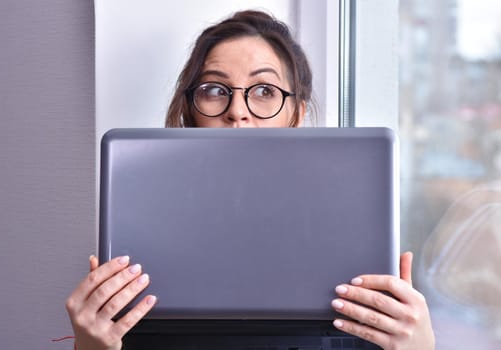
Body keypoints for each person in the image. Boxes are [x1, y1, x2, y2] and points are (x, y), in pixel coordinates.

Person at [66, 10, 435, 350]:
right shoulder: (145, 226)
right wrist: (89, 346)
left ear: (296, 113)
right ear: (191, 111)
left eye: (264, 92)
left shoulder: (347, 225)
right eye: (214, 90)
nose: (238, 112)